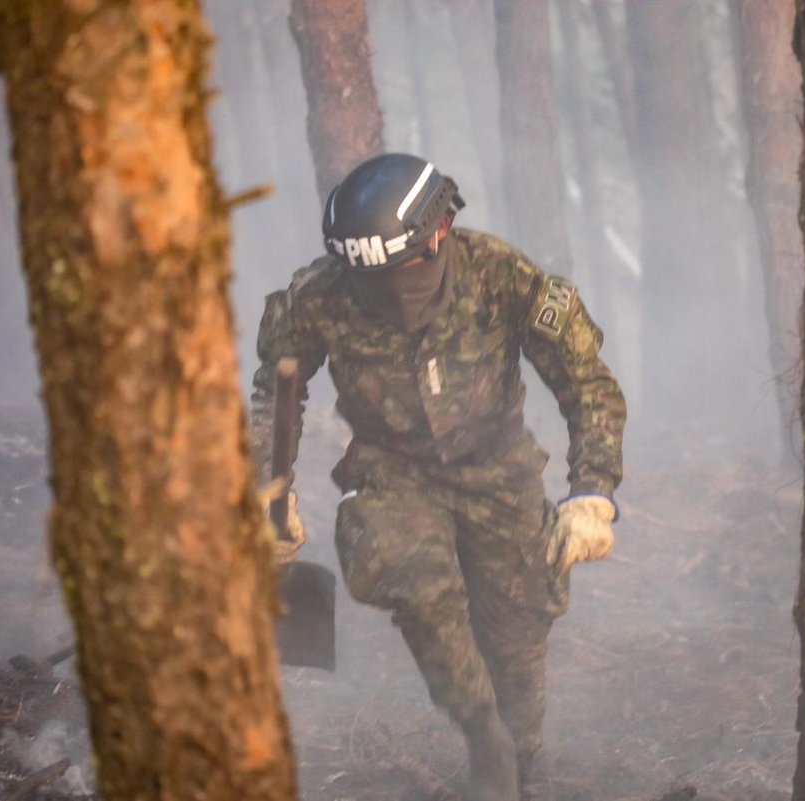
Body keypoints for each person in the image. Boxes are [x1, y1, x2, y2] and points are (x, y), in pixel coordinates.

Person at [249, 153, 626, 801]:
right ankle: (480, 729)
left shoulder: (501, 276)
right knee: (415, 581)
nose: (388, 290)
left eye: (399, 270)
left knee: (517, 631)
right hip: (392, 472)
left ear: (440, 232)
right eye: (370, 277)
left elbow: (586, 381)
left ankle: (519, 753)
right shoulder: (318, 296)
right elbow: (276, 391)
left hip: (498, 468)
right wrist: (268, 493)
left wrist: (593, 492)